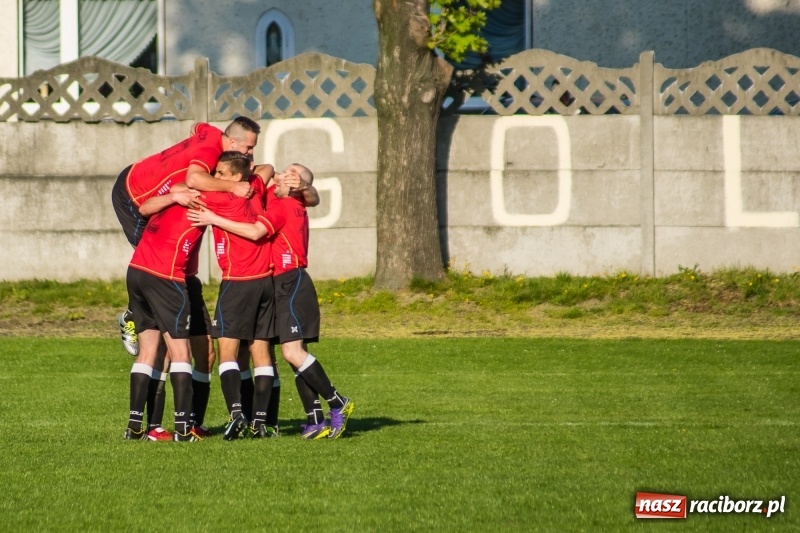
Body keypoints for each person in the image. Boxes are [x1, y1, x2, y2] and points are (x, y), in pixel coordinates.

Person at [190, 164, 355, 440]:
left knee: (292, 353)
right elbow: (292, 186)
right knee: (293, 355)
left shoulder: (283, 204)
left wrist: (212, 218)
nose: (277, 176)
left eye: (287, 174)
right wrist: (300, 185)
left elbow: (256, 232)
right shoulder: (286, 197)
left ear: (295, 184)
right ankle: (315, 419)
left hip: (290, 282)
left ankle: (338, 402)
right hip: (281, 283)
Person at [112, 116, 261, 356]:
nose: (251, 153)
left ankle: (161, 316)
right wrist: (233, 187)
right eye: (249, 148)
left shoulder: (212, 133)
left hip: (137, 178)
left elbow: (197, 125)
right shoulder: (210, 151)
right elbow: (193, 178)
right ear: (232, 142)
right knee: (152, 258)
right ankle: (132, 315)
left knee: (166, 263)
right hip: (132, 194)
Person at [187, 151, 287, 440]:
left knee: (227, 353)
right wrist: (245, 177)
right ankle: (262, 422)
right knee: (261, 353)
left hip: (238, 282)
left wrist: (212, 212)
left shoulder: (217, 198)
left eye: (220, 173)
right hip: (265, 283)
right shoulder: (254, 188)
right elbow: (266, 169)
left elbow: (190, 183)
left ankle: (236, 414)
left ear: (235, 177)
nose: (215, 178)